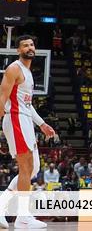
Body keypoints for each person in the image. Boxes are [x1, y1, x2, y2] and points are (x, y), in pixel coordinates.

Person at [0, 35, 57, 229]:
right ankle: (23, 217)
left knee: (33, 168)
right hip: (15, 119)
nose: (29, 48)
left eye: (31, 44)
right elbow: (2, 97)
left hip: (24, 119)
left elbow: (27, 104)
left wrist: (42, 124)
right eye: (25, 45)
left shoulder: (28, 72)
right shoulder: (14, 68)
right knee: (26, 167)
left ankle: (2, 204)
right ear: (18, 50)